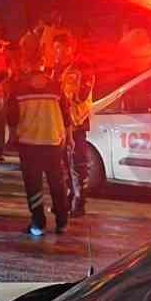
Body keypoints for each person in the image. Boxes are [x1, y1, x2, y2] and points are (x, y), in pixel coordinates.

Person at [5, 33, 71, 237]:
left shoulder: (18, 88)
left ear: (26, 63)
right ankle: (62, 221)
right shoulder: (56, 86)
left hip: (29, 142)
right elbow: (66, 115)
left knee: (33, 184)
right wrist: (68, 138)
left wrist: (13, 137)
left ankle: (38, 223)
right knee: (56, 182)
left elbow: (12, 118)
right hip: (53, 140)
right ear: (42, 63)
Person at [52, 34, 95, 217]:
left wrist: (62, 96)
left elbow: (81, 95)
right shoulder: (57, 68)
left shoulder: (82, 67)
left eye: (58, 48)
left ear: (69, 48)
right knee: (63, 164)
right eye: (54, 48)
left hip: (76, 123)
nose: (55, 52)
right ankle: (67, 198)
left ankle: (79, 202)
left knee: (77, 164)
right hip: (60, 123)